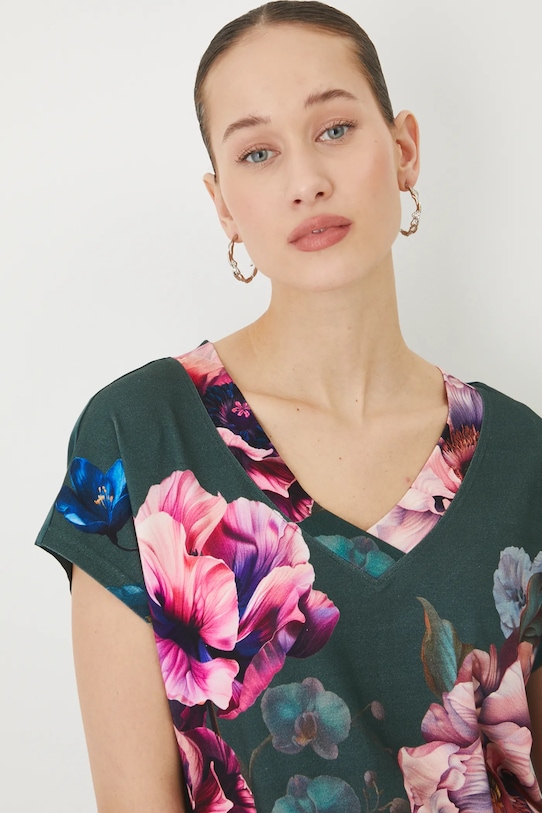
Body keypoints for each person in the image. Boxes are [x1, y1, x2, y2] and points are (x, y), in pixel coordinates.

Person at [35, 2, 542, 811]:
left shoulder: (520, 455)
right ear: (223, 204)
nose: (306, 180)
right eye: (259, 152)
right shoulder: (138, 436)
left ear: (404, 149)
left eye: (334, 129)